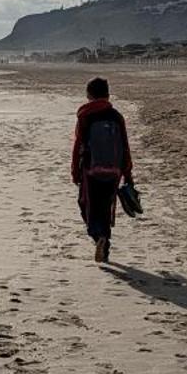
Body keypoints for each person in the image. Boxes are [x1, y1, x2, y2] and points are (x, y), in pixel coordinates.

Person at [71, 76, 133, 264]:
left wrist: (75, 171)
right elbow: (125, 145)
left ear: (89, 95)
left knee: (87, 206)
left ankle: (98, 236)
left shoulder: (85, 115)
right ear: (107, 94)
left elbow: (77, 145)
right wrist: (127, 173)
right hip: (114, 170)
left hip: (91, 170)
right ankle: (104, 246)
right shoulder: (116, 116)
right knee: (106, 208)